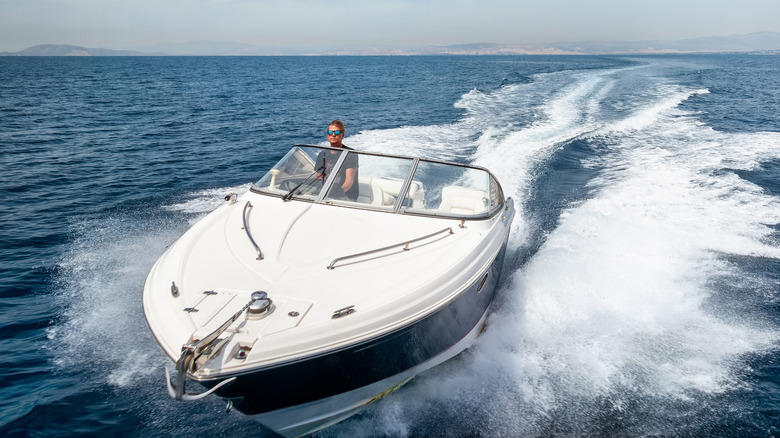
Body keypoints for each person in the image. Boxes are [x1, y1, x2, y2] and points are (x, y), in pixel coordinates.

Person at [315, 120, 359, 201]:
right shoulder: (322, 154)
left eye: (337, 132)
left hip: (346, 194)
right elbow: (319, 177)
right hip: (325, 193)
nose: (333, 135)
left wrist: (338, 193)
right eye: (330, 132)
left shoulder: (351, 154)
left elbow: (349, 180)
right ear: (327, 135)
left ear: (342, 135)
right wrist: (326, 192)